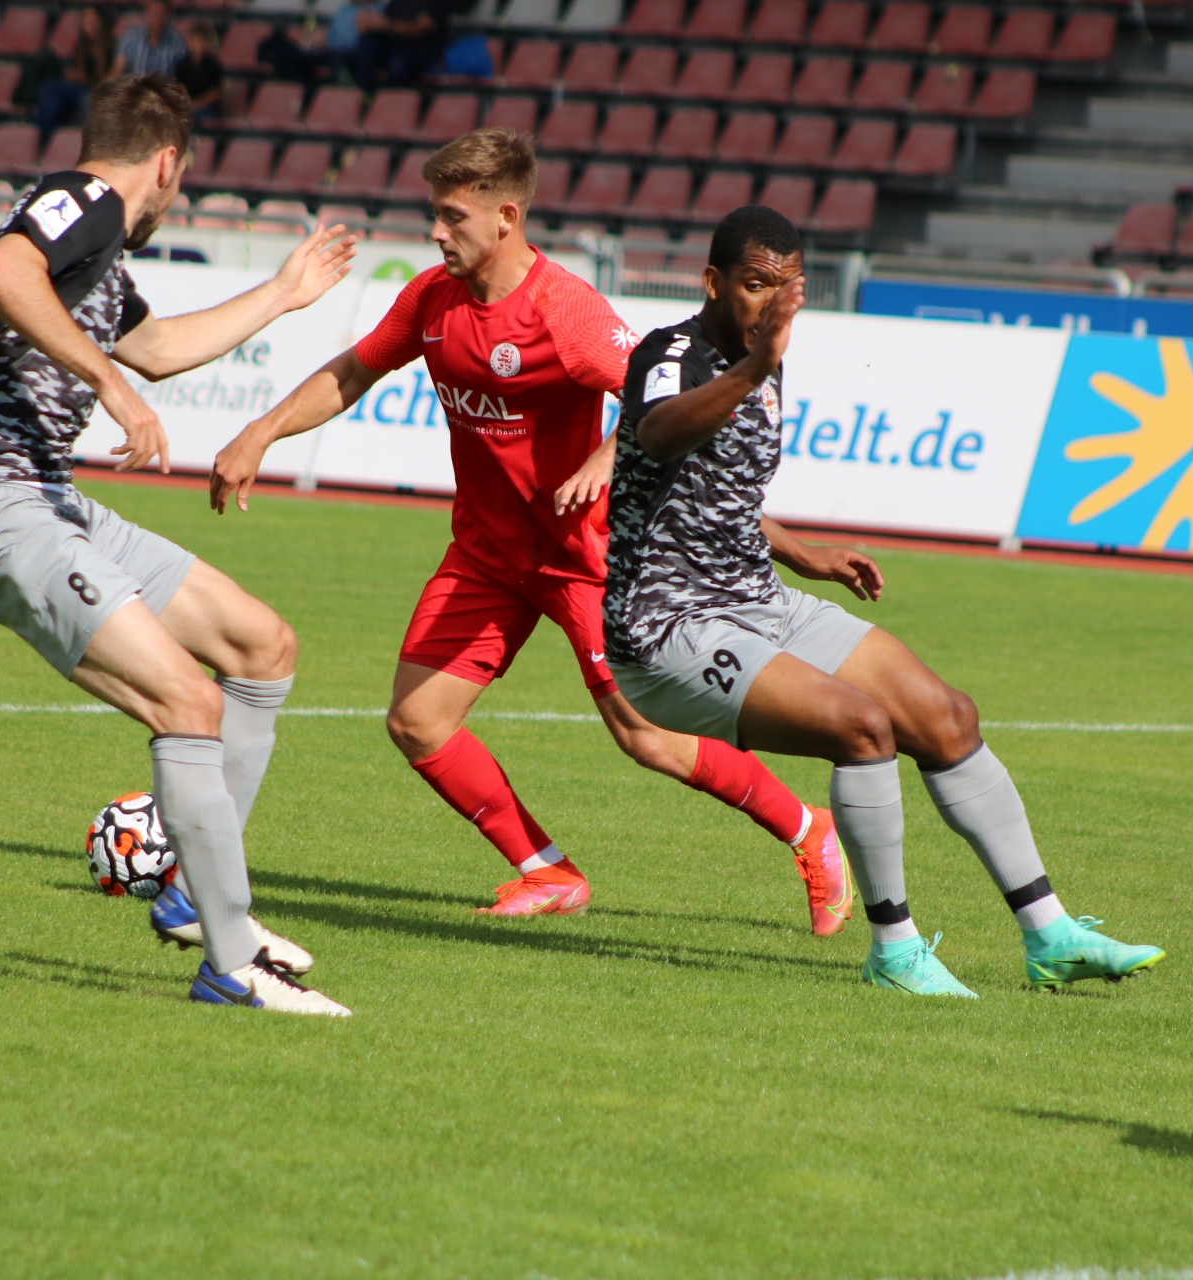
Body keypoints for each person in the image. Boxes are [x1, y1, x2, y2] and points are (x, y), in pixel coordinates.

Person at [211, 130, 854, 933]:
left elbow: (657, 400)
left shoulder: (565, 312)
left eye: (452, 216)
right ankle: (547, 871)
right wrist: (260, 433)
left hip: (588, 558)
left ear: (506, 217)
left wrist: (605, 458)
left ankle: (809, 829)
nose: (436, 232)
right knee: (418, 721)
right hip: (487, 553)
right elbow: (354, 371)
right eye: (436, 213)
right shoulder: (432, 299)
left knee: (646, 737)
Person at [604, 205, 1167, 998]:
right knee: (861, 726)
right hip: (668, 627)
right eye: (755, 284)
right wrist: (753, 369)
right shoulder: (671, 354)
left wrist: (809, 556)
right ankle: (894, 952)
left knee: (947, 716)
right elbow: (659, 436)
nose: (770, 302)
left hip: (759, 601)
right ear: (713, 282)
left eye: (785, 288)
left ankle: (1051, 935)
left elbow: (718, 497)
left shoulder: (763, 360)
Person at [0, 75, 360, 1016]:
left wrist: (281, 296)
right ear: (166, 162)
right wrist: (111, 391)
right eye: (182, 178)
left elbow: (156, 348)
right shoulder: (81, 199)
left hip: (52, 502)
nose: (176, 194)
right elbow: (1, 273)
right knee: (189, 703)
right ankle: (231, 967)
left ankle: (195, 899)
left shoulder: (100, 249)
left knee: (261, 645)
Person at [35, 4, 112, 139]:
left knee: (85, 99)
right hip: (82, 86)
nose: (89, 25)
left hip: (97, 89)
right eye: (86, 21)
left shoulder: (112, 44)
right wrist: (74, 76)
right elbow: (82, 73)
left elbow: (105, 77)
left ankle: (48, 137)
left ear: (100, 22)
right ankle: (45, 137)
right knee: (51, 91)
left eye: (92, 21)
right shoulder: (82, 46)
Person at [349, 0, 451, 87]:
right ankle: (364, 90)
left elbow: (422, 28)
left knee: (397, 65)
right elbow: (383, 23)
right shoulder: (397, 3)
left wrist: (386, 25)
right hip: (394, 50)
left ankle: (393, 98)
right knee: (361, 47)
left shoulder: (434, 2)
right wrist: (369, 23)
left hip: (423, 54)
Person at [113, 0, 186, 78]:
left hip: (164, 84)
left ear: (168, 16)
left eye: (161, 13)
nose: (157, 18)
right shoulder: (131, 37)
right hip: (136, 84)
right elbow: (117, 71)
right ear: (146, 14)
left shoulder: (177, 41)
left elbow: (185, 75)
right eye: (153, 13)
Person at [173, 21, 223, 121]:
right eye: (196, 40)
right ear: (189, 42)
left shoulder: (213, 64)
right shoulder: (182, 64)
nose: (199, 44)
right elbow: (178, 88)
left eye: (202, 40)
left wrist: (197, 104)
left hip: (207, 108)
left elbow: (215, 92)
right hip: (188, 107)